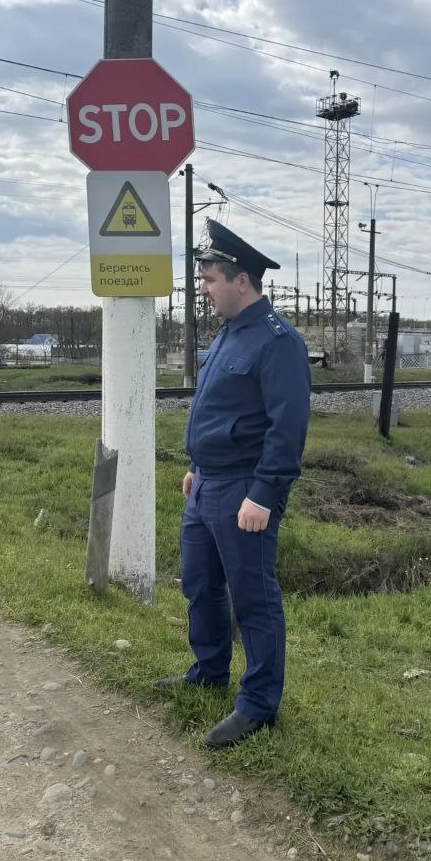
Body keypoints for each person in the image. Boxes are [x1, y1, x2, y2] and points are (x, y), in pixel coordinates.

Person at [157, 219, 311, 748]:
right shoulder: (229, 332)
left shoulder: (278, 342)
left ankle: (259, 704)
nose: (202, 289)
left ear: (240, 280)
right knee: (200, 584)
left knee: (253, 599)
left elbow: (287, 428)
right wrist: (196, 465)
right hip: (206, 484)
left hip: (245, 490)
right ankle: (209, 671)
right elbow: (221, 408)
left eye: (209, 279)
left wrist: (264, 494)